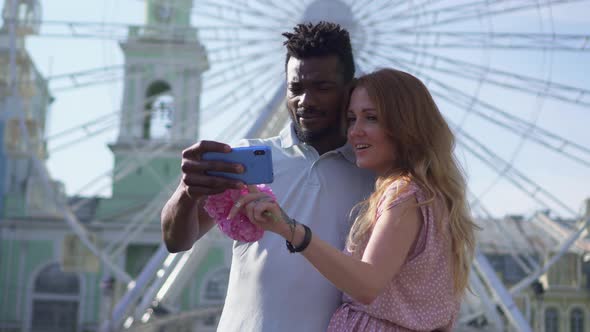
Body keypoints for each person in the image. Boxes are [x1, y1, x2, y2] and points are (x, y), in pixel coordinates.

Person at [160, 22, 375, 331]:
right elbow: (176, 241)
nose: (306, 101)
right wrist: (186, 190)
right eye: (296, 88)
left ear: (350, 90)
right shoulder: (243, 160)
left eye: (322, 88)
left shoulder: (373, 176)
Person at [232, 68, 479, 331]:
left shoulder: (404, 193)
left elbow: (367, 284)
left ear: (406, 125)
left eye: (371, 118)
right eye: (351, 119)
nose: (355, 132)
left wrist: (290, 229)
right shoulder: (426, 194)